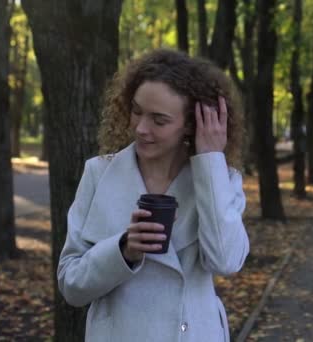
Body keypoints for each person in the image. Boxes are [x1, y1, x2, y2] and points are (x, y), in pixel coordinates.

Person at [57, 49, 249, 342]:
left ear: (190, 124)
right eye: (136, 111)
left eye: (159, 120)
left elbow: (226, 262)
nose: (141, 128)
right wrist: (123, 250)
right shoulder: (99, 174)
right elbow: (71, 285)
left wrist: (211, 162)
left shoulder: (221, 180)